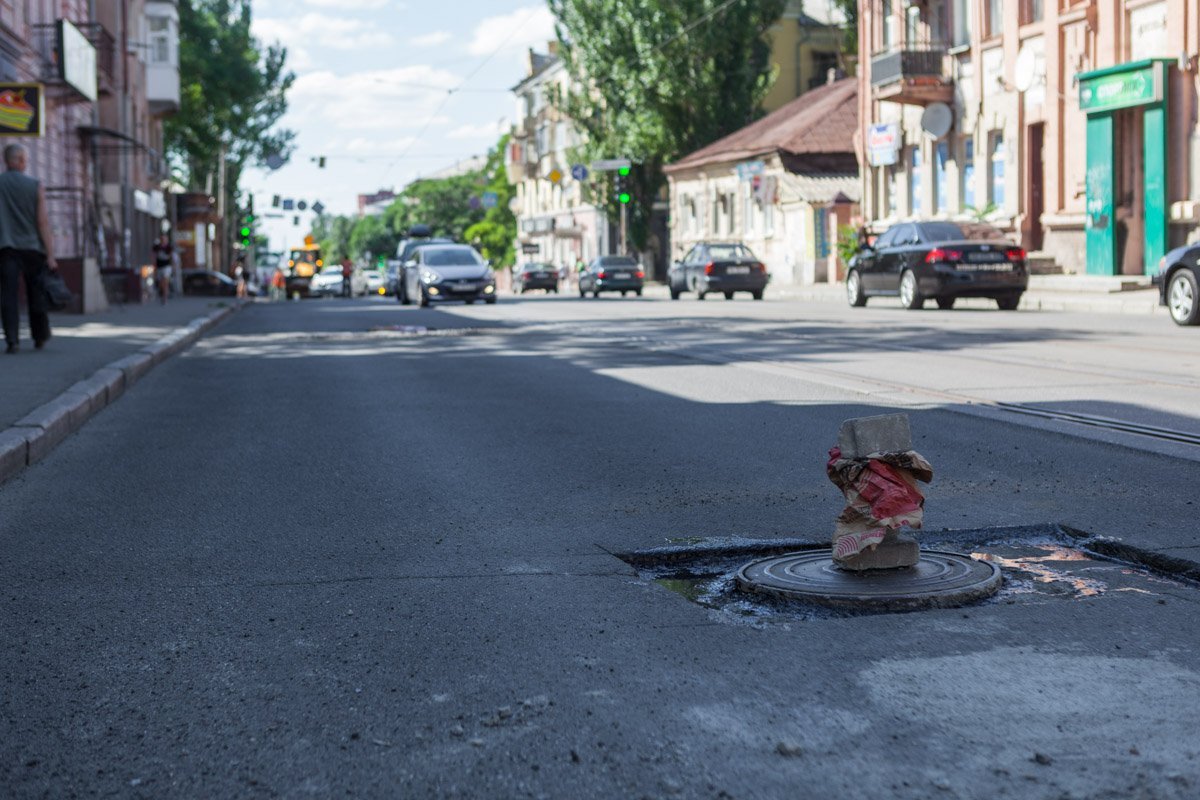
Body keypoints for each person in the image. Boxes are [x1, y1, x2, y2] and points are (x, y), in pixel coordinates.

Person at [0, 143, 56, 353]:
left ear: (6, 161)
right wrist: (50, 254)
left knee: (8, 294)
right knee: (36, 292)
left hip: (6, 248)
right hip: (32, 248)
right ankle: (39, 336)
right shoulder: (34, 185)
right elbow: (43, 222)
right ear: (21, 161)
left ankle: (12, 340)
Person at [152, 234, 173, 304]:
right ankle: (164, 292)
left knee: (165, 282)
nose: (163, 240)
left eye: (165, 239)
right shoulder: (157, 247)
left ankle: (165, 298)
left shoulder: (169, 247)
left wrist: (173, 266)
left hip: (166, 266)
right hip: (159, 266)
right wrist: (154, 266)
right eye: (162, 239)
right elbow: (153, 256)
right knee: (161, 283)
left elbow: (171, 257)